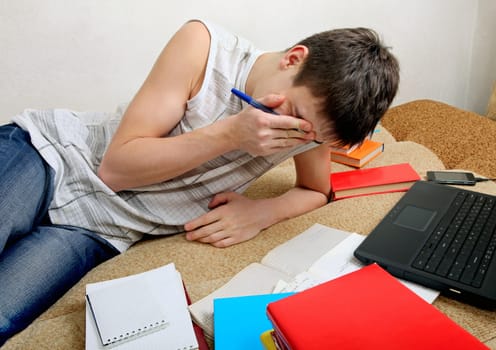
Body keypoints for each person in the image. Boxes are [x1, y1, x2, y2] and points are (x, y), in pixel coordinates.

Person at [0, 19, 399, 344]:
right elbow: (115, 170)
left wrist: (262, 211)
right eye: (292, 116)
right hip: (48, 153)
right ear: (293, 59)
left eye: (310, 137)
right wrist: (230, 134)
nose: (294, 136)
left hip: (99, 228)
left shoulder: (308, 127)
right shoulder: (203, 47)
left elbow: (316, 190)